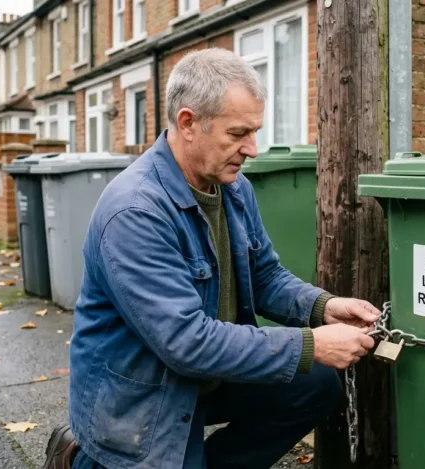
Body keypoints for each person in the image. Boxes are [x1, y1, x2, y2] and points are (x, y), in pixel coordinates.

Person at [43, 48, 379, 469]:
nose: (252, 149)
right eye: (238, 133)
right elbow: (186, 342)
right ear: (188, 123)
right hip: (144, 400)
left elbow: (265, 276)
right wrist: (310, 343)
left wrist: (322, 308)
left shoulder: (234, 188)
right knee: (306, 359)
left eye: (254, 132)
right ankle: (83, 457)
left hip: (207, 375)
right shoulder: (135, 211)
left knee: (315, 384)